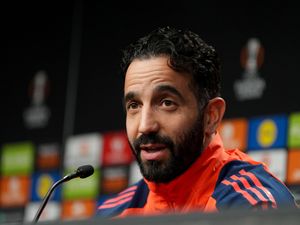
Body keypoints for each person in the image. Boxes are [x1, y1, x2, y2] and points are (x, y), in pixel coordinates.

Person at [97, 26, 297, 218]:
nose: (145, 125)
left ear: (211, 116)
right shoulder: (111, 215)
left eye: (167, 103)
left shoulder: (251, 207)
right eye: (134, 105)